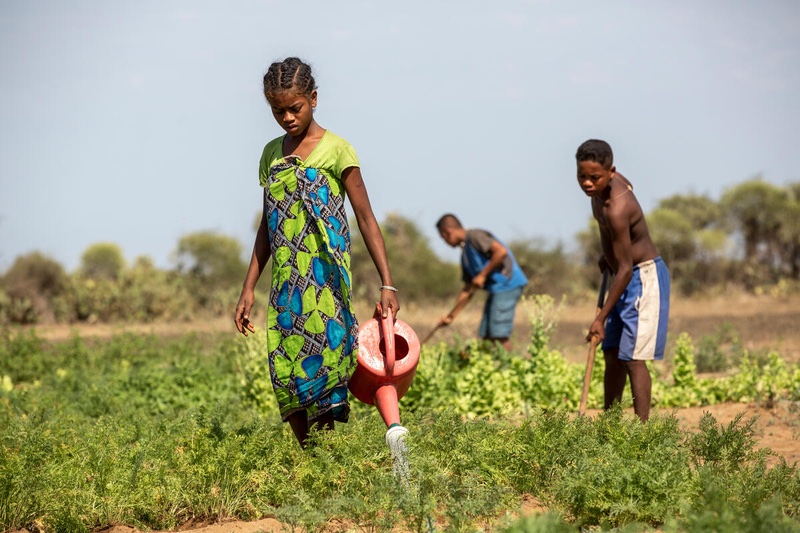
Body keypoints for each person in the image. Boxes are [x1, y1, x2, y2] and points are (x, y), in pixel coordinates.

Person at [234, 57, 400, 447]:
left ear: (313, 98)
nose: (288, 118)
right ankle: (312, 458)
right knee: (286, 367)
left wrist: (387, 284)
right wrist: (247, 289)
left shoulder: (338, 151)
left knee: (324, 368)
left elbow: (365, 217)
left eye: (296, 108)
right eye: (278, 111)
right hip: (287, 286)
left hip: (326, 284)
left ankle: (325, 462)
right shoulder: (271, 154)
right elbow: (267, 224)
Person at [576, 139, 670, 422]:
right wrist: (610, 254)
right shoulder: (600, 192)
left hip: (643, 277)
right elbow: (616, 247)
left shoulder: (618, 207)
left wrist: (600, 318)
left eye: (595, 177)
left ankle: (642, 433)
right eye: (582, 176)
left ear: (611, 172)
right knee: (613, 353)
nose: (588, 183)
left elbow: (627, 269)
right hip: (622, 272)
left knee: (633, 357)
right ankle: (610, 426)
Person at [435, 214, 528, 351]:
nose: (445, 243)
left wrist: (482, 275)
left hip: (508, 284)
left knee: (499, 335)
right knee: (486, 335)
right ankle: (490, 368)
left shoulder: (475, 236)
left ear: (448, 232)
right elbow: (468, 289)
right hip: (496, 289)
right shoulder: (465, 256)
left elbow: (501, 252)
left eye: (444, 239)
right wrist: (450, 316)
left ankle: (510, 367)